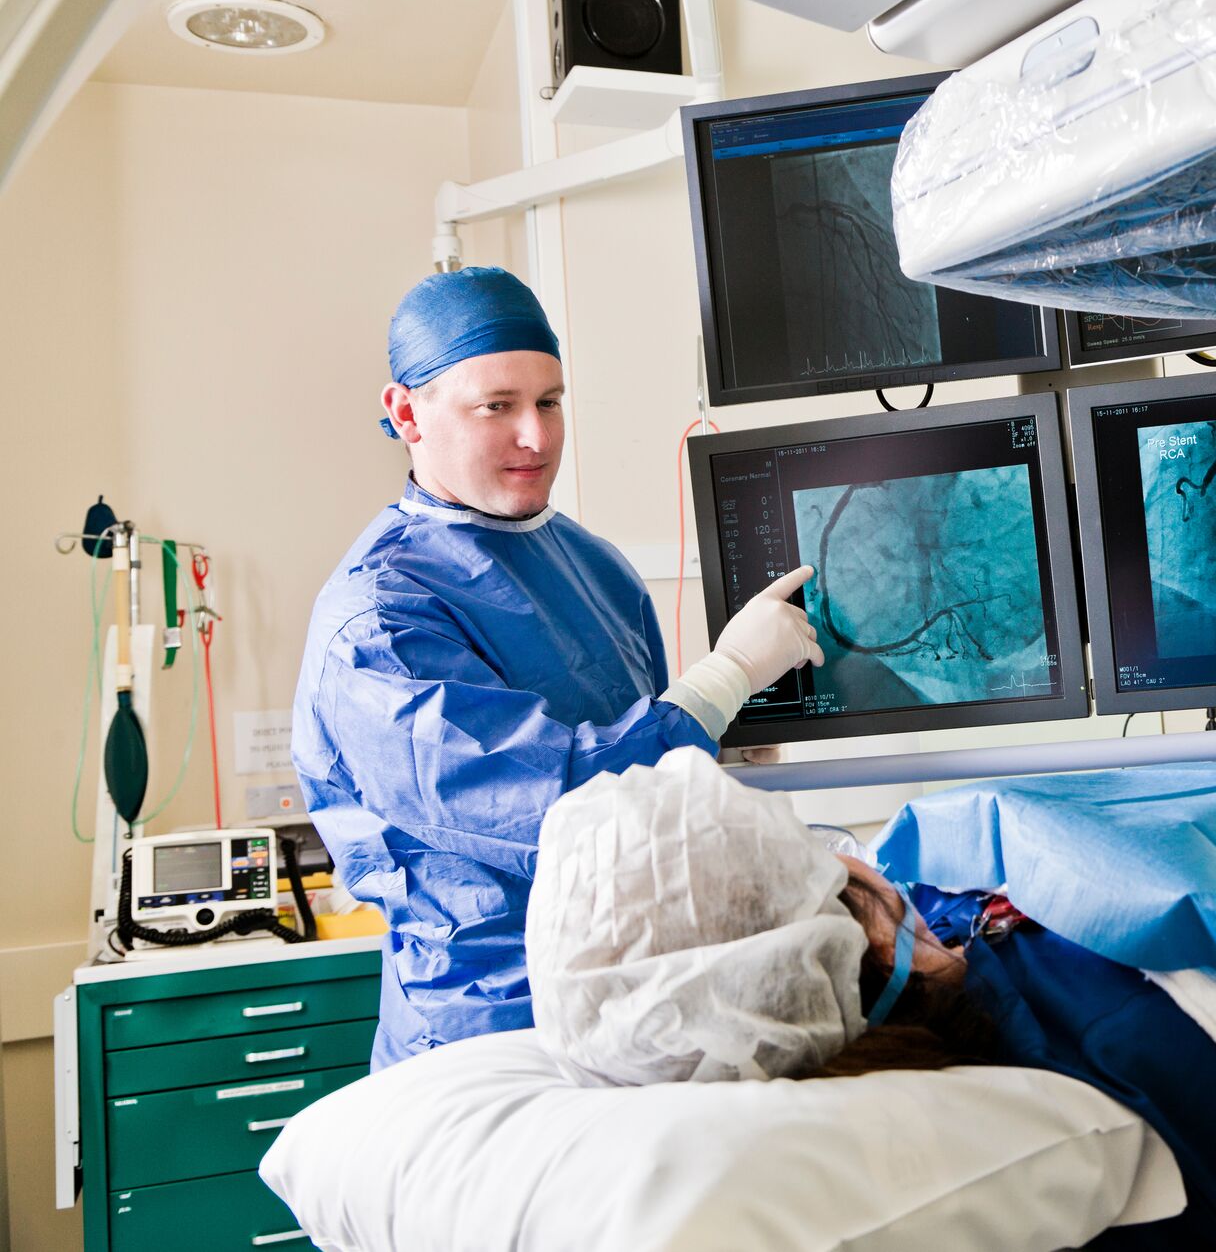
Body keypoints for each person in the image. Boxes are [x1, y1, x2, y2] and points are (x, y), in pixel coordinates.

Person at [527, 752, 1216, 1251]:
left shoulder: (921, 927)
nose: (850, 853)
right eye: (803, 847)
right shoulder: (1130, 1035)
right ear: (859, 934)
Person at [293, 266, 823, 1070]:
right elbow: (563, 811)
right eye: (495, 406)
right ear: (405, 412)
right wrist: (722, 681)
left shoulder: (594, 566)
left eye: (549, 400)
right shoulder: (377, 622)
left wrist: (721, 744)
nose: (536, 437)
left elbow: (643, 769)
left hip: (647, 995)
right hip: (490, 1028)